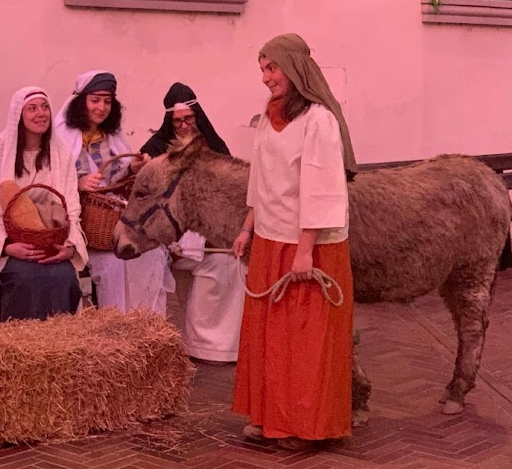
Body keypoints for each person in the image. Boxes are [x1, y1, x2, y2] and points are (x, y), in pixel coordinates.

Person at [231, 33, 358, 450]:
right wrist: (248, 227)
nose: (266, 77)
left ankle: (305, 425)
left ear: (294, 68)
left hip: (308, 246)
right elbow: (260, 178)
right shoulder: (268, 117)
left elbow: (320, 187)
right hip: (271, 240)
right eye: (262, 69)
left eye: (272, 68)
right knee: (272, 338)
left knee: (305, 341)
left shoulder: (319, 121)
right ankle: (272, 418)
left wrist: (304, 251)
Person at [140, 82, 245, 363]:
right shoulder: (154, 150)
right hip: (172, 234)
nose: (184, 126)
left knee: (226, 262)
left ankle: (221, 346)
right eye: (177, 122)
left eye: (189, 119)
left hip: (209, 231)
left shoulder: (213, 146)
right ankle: (198, 343)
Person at [55, 70, 174, 314]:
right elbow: (52, 179)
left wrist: (133, 167)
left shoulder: (111, 137)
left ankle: (147, 322)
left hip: (112, 220)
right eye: (95, 100)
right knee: (115, 265)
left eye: (107, 101)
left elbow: (116, 177)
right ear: (81, 101)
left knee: (149, 255)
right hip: (88, 230)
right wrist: (78, 183)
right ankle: (118, 321)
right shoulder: (61, 139)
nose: (101, 107)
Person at [0, 86, 88, 322]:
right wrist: (6, 246)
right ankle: (19, 340)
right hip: (11, 245)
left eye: (45, 107)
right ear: (19, 115)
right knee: (25, 277)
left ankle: (59, 340)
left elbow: (71, 207)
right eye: (32, 109)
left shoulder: (61, 153)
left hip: (52, 243)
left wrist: (69, 247)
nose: (41, 114)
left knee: (63, 276)